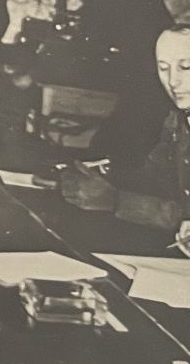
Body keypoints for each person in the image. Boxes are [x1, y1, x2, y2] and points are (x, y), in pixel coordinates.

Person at [68, 26, 190, 247]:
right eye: (163, 68)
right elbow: (155, 177)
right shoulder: (178, 120)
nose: (173, 81)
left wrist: (115, 201)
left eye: (186, 67)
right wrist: (99, 175)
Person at [58, 0, 174, 165]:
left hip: (142, 95)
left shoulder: (102, 1)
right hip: (159, 90)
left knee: (106, 151)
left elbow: (86, 53)